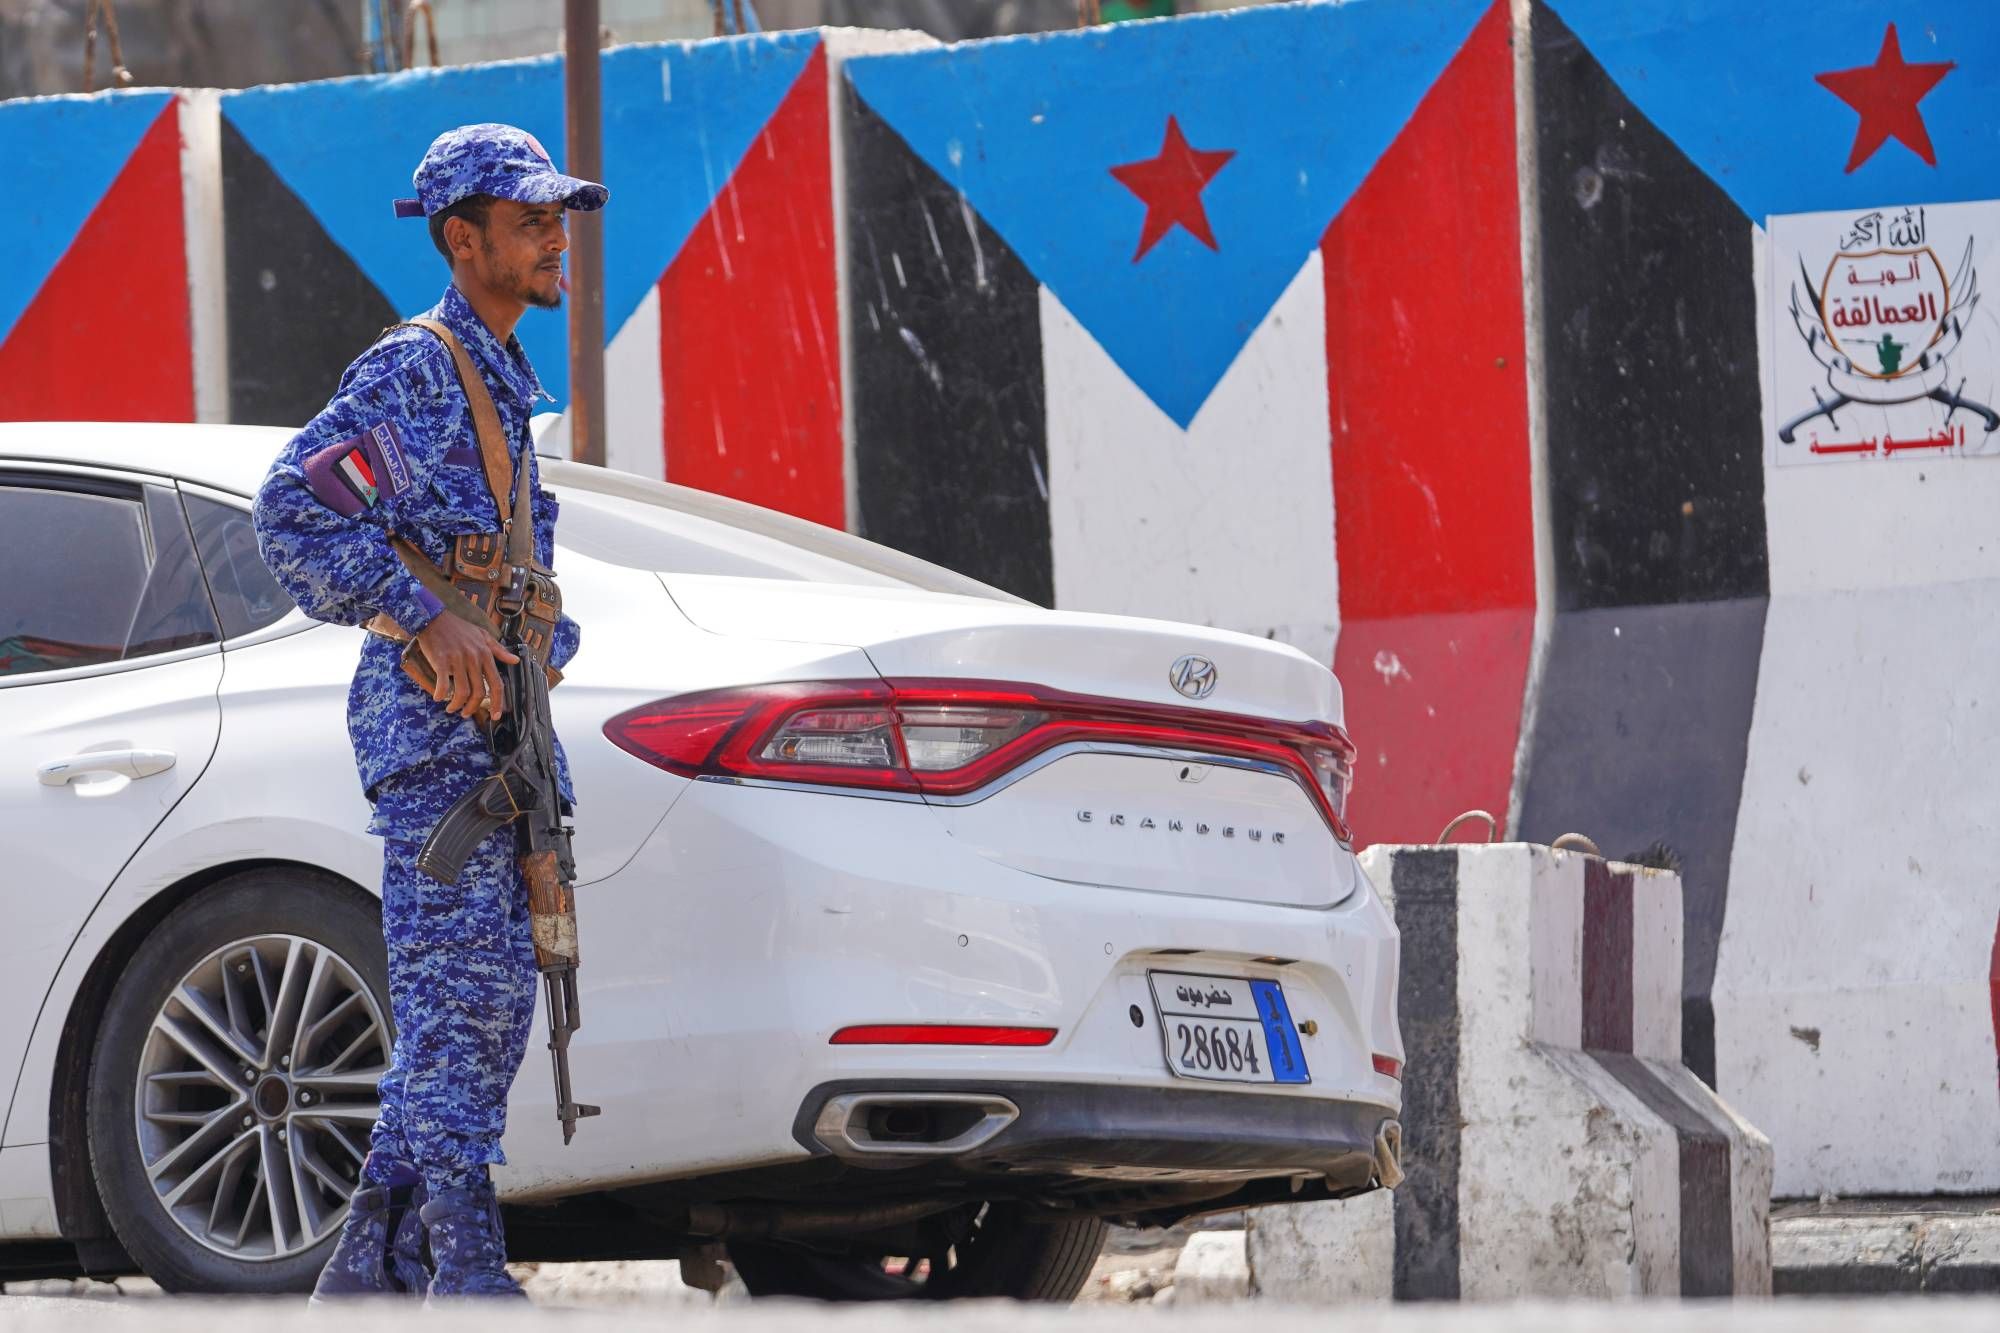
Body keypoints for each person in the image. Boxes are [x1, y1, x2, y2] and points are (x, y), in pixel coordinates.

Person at [253, 123, 607, 1301]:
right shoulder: (418, 370)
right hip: (433, 739)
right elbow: (292, 513)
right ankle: (465, 1271)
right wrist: (420, 620)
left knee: (486, 1008)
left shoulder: (499, 378)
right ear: (463, 239)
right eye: (529, 221)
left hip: (499, 733)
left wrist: (535, 640)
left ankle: (367, 1274)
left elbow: (498, 566)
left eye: (558, 219)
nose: (556, 239)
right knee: (462, 1010)